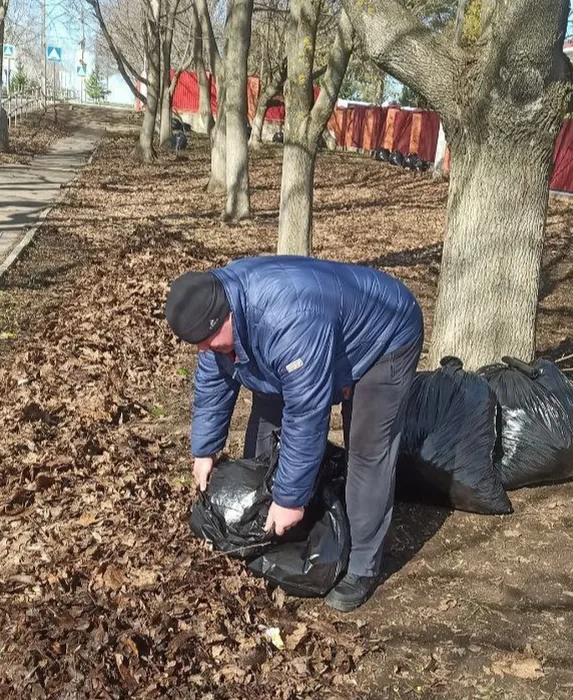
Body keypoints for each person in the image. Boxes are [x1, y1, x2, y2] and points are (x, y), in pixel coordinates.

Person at [164, 256, 424, 611]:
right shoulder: (214, 306)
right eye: (197, 343)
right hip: (317, 334)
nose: (202, 349)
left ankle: (363, 566)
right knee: (267, 419)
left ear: (225, 317)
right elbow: (214, 377)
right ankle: (268, 522)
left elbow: (306, 412)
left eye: (207, 339)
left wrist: (289, 498)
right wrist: (205, 448)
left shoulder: (287, 320)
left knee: (367, 449)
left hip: (383, 336)